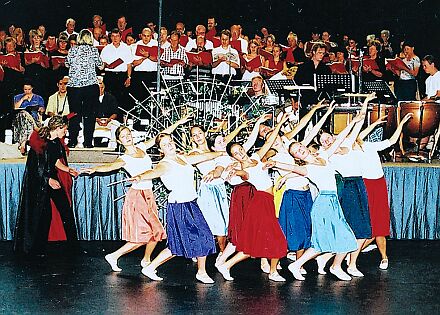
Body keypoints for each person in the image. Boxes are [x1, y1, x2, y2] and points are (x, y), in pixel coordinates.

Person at [81, 114, 191, 272]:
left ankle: (146, 259)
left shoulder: (142, 148)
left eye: (128, 134)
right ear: (119, 141)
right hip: (137, 197)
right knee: (143, 236)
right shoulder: (125, 158)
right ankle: (114, 256)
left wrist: (178, 122)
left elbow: (161, 136)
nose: (127, 138)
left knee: (158, 232)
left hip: (148, 194)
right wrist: (95, 169)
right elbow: (110, 167)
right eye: (123, 137)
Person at [272, 115, 364, 281]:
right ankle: (335, 266)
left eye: (300, 146)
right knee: (346, 236)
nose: (300, 149)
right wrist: (276, 164)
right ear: (297, 157)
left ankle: (297, 264)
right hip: (324, 203)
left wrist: (354, 122)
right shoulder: (307, 168)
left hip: (332, 202)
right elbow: (291, 168)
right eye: (296, 152)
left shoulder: (323, 156)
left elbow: (340, 138)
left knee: (323, 241)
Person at [131, 133, 224, 284]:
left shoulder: (183, 158)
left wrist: (221, 153)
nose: (170, 145)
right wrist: (140, 177)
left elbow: (205, 157)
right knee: (181, 243)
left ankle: (200, 271)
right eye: (165, 145)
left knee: (202, 237)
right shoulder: (164, 164)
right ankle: (154, 267)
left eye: (170, 142)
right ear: (161, 150)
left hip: (191, 203)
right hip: (179, 206)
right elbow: (154, 172)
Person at [215, 114, 289, 282]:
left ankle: (227, 265)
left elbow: (269, 142)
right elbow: (243, 175)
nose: (239, 153)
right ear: (233, 157)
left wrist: (280, 123)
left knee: (257, 243)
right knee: (275, 239)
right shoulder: (242, 168)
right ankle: (272, 272)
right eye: (235, 153)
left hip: (267, 202)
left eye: (240, 149)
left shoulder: (255, 157)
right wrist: (234, 171)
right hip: (260, 203)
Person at [14, 115, 79, 255]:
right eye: (65, 129)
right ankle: (37, 248)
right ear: (58, 128)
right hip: (41, 182)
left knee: (65, 210)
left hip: (51, 179)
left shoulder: (56, 143)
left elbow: (55, 161)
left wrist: (68, 170)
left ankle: (74, 247)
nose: (65, 132)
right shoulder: (39, 142)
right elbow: (34, 168)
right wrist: (48, 180)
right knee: (44, 214)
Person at [357, 113, 413, 269]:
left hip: (378, 184)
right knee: (370, 223)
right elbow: (358, 137)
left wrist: (401, 124)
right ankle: (354, 253)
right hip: (365, 185)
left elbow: (392, 140)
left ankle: (384, 257)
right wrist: (373, 124)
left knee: (380, 222)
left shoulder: (369, 146)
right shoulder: (350, 150)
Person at [66, 29, 104, 148]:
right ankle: (88, 142)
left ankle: (72, 141)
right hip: (89, 87)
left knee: (74, 114)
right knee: (89, 115)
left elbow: (67, 64)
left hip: (74, 87)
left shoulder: (72, 50)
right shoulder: (93, 50)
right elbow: (101, 65)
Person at [13, 82, 45, 153]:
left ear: (32, 88)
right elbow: (15, 108)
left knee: (26, 122)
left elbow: (42, 110)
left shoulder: (38, 98)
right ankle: (34, 126)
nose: (27, 91)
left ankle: (23, 145)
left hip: (34, 119)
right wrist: (22, 99)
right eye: (25, 89)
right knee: (23, 113)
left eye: (29, 89)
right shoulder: (18, 97)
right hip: (19, 120)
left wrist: (41, 110)